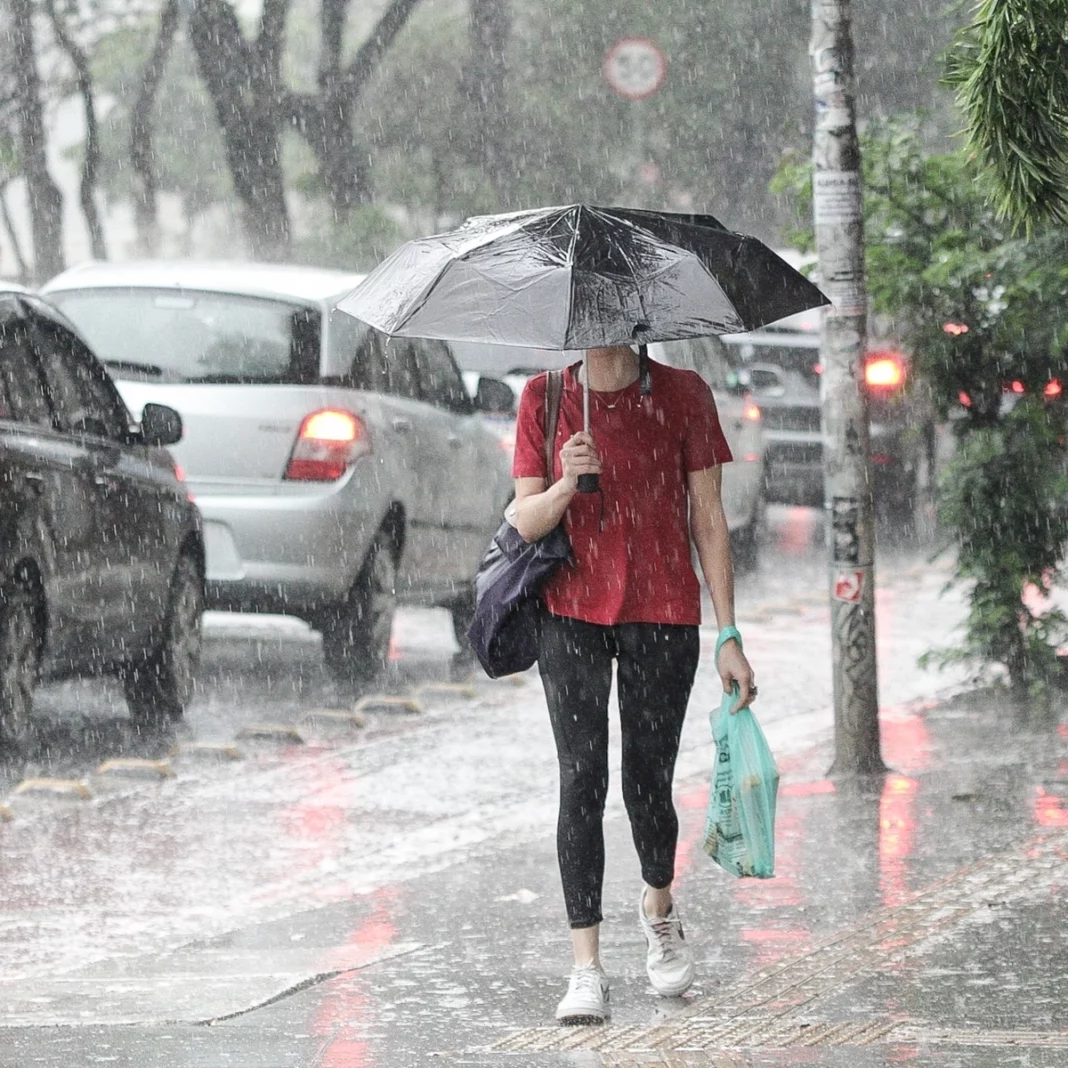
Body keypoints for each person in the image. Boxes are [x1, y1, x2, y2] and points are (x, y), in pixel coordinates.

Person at [511, 343, 756, 1026]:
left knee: (648, 782)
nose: (605, 326)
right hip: (570, 614)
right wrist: (566, 483)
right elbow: (522, 520)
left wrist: (729, 633)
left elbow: (708, 515)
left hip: (663, 611)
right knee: (580, 778)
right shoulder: (545, 398)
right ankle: (586, 967)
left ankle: (657, 904)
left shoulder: (684, 395)